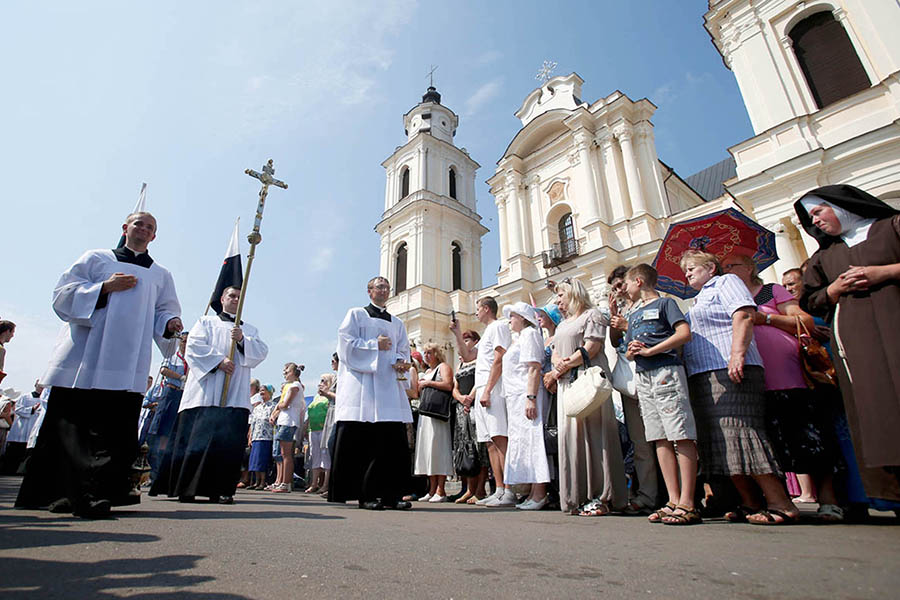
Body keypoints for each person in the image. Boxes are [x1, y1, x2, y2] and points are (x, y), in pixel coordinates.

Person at [16, 211, 182, 518]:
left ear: (154, 236)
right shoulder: (96, 258)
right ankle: (62, 493)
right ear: (125, 228)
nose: (144, 230)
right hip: (86, 358)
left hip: (128, 361)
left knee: (116, 434)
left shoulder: (160, 274)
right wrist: (104, 288)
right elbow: (62, 295)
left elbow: (164, 310)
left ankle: (101, 491)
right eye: (139, 224)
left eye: (150, 227)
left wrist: (170, 322)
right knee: (72, 431)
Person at [795, 185, 900, 502]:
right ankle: (892, 494)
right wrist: (834, 289)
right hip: (857, 342)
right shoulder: (825, 256)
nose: (815, 222)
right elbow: (810, 300)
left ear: (841, 206)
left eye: (818, 212)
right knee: (874, 411)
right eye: (810, 217)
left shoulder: (892, 227)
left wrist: (886, 271)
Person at [679, 250, 798, 525]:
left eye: (692, 268)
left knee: (743, 431)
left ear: (711, 267)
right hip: (705, 373)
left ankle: (780, 501)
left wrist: (737, 353)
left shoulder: (726, 282)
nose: (687, 274)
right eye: (685, 271)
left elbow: (743, 314)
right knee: (722, 440)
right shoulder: (698, 299)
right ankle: (750, 501)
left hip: (730, 366)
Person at [724, 253, 842, 520]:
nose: (727, 270)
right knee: (773, 443)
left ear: (749, 267)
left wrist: (765, 319)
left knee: (811, 436)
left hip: (789, 376)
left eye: (732, 265)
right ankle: (780, 502)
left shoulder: (769, 291)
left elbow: (804, 321)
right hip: (754, 381)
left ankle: (828, 500)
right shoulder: (729, 298)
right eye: (724, 267)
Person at [151, 286, 268, 505]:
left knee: (227, 446)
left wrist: (243, 340)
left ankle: (222, 489)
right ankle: (188, 488)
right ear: (222, 299)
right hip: (205, 394)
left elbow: (261, 352)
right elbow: (193, 347)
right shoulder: (205, 322)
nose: (235, 300)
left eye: (239, 297)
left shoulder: (249, 329)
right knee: (198, 441)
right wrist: (218, 361)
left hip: (234, 396)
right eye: (231, 296)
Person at [622, 264, 700, 525]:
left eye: (628, 283)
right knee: (658, 437)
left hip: (666, 371)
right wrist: (634, 351)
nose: (625, 288)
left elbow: (683, 333)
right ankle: (672, 498)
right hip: (644, 377)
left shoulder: (666, 304)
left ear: (640, 281)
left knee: (680, 432)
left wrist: (653, 350)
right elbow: (630, 350)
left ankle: (688, 501)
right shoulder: (633, 315)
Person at [328, 276, 413, 511]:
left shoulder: (397, 323)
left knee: (391, 445)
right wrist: (374, 344)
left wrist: (400, 362)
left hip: (388, 389)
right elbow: (344, 346)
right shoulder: (356, 315)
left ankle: (391, 495)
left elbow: (403, 350)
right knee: (365, 444)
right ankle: (366, 495)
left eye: (387, 287)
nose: (384, 290)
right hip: (364, 388)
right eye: (379, 286)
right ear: (369, 291)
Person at [546, 278, 627, 515]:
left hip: (586, 382)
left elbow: (592, 347)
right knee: (571, 439)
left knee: (594, 438)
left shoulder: (592, 315)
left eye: (561, 295)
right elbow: (555, 353)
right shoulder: (562, 325)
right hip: (567, 385)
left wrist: (561, 368)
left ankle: (602, 496)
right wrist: (556, 366)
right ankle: (576, 496)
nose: (558, 300)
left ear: (574, 294)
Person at [606, 265, 659, 516]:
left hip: (654, 375)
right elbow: (616, 342)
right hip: (630, 384)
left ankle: (677, 493)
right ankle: (647, 494)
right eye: (614, 288)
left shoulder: (651, 303)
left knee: (665, 437)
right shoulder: (622, 309)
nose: (618, 291)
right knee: (640, 443)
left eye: (620, 285)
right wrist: (614, 318)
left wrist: (628, 323)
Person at [452, 296, 514, 507]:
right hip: (483, 392)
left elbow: (500, 359)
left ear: (486, 309)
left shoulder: (498, 327)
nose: (476, 312)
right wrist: (457, 332)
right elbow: (467, 356)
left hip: (493, 389)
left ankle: (509, 489)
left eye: (478, 308)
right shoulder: (487, 332)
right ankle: (498, 489)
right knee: (489, 443)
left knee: (499, 438)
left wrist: (487, 390)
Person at [501, 302, 551, 510]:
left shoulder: (530, 333)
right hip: (515, 397)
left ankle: (540, 493)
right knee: (522, 442)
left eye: (512, 316)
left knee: (533, 441)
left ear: (522, 317)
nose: (509, 320)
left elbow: (533, 367)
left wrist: (531, 397)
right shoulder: (519, 338)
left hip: (526, 394)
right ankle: (532, 491)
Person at [450, 329, 488, 504]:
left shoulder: (480, 358)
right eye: (462, 339)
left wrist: (469, 398)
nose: (464, 343)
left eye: (467, 339)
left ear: (475, 341)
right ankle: (469, 489)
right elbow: (455, 386)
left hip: (474, 405)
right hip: (461, 408)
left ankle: (480, 489)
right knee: (464, 448)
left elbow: (481, 379)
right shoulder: (460, 364)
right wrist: (459, 397)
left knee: (478, 448)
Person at [412, 343, 454, 502]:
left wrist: (427, 383)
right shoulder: (427, 371)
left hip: (438, 415)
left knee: (439, 449)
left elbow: (448, 384)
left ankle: (441, 490)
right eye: (425, 353)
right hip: (426, 414)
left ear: (436, 353)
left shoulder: (443, 367)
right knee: (428, 450)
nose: (426, 355)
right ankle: (431, 489)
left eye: (429, 352)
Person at [146, 334, 188, 485]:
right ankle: (155, 472)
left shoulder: (192, 359)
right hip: (171, 393)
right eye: (183, 341)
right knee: (161, 432)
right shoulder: (173, 356)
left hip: (184, 396)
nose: (185, 344)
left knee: (176, 433)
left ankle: (168, 474)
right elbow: (164, 370)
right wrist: (181, 377)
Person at [268, 362, 305, 493]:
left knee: (286, 454)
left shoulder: (295, 386)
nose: (284, 373)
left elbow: (285, 404)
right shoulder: (290, 386)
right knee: (283, 454)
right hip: (284, 421)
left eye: (287, 371)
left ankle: (286, 483)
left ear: (294, 373)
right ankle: (282, 482)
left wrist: (278, 406)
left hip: (289, 421)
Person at [2, 382, 43, 475]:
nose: (41, 388)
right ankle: (9, 470)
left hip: (33, 427)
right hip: (22, 428)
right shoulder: (25, 397)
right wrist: (31, 409)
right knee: (15, 450)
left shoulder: (43, 399)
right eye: (39, 386)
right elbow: (18, 409)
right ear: (35, 385)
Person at [305, 375, 333, 493]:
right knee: (315, 456)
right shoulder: (317, 396)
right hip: (313, 429)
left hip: (324, 429)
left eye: (323, 381)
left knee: (325, 456)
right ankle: (314, 483)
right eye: (320, 381)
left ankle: (326, 484)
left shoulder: (329, 396)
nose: (320, 383)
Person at [247, 384, 275, 490]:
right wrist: (250, 436)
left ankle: (263, 482)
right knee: (254, 461)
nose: (261, 393)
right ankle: (256, 481)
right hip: (256, 436)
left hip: (266, 437)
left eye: (264, 390)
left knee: (262, 460)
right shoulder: (257, 407)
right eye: (260, 391)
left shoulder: (273, 406)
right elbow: (253, 422)